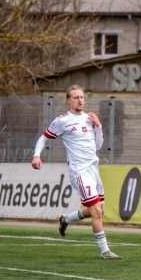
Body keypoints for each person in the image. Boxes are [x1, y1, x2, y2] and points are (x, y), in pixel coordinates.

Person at [31, 85, 120, 260]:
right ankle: (105, 251)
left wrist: (99, 126)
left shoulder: (90, 118)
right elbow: (44, 137)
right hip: (79, 171)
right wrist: (36, 156)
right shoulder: (62, 120)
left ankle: (67, 219)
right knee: (95, 210)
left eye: (82, 97)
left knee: (99, 210)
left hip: (93, 169)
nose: (80, 100)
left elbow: (98, 146)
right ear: (68, 100)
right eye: (76, 97)